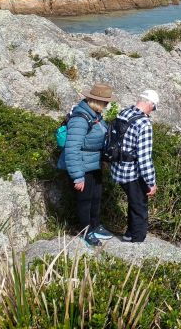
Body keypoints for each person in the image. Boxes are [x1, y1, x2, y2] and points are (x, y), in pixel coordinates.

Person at [56, 82, 113, 247]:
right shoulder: (81, 119)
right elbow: (71, 148)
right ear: (98, 101)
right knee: (85, 201)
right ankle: (85, 231)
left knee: (96, 198)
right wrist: (77, 176)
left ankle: (95, 226)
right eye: (106, 102)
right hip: (81, 166)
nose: (108, 105)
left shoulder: (95, 115)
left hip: (94, 165)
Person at [110, 89, 159, 243]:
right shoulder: (143, 123)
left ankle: (129, 233)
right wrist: (151, 182)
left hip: (117, 169)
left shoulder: (123, 113)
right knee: (139, 206)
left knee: (133, 201)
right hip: (131, 172)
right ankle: (137, 240)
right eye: (154, 107)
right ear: (150, 104)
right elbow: (144, 158)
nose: (153, 111)